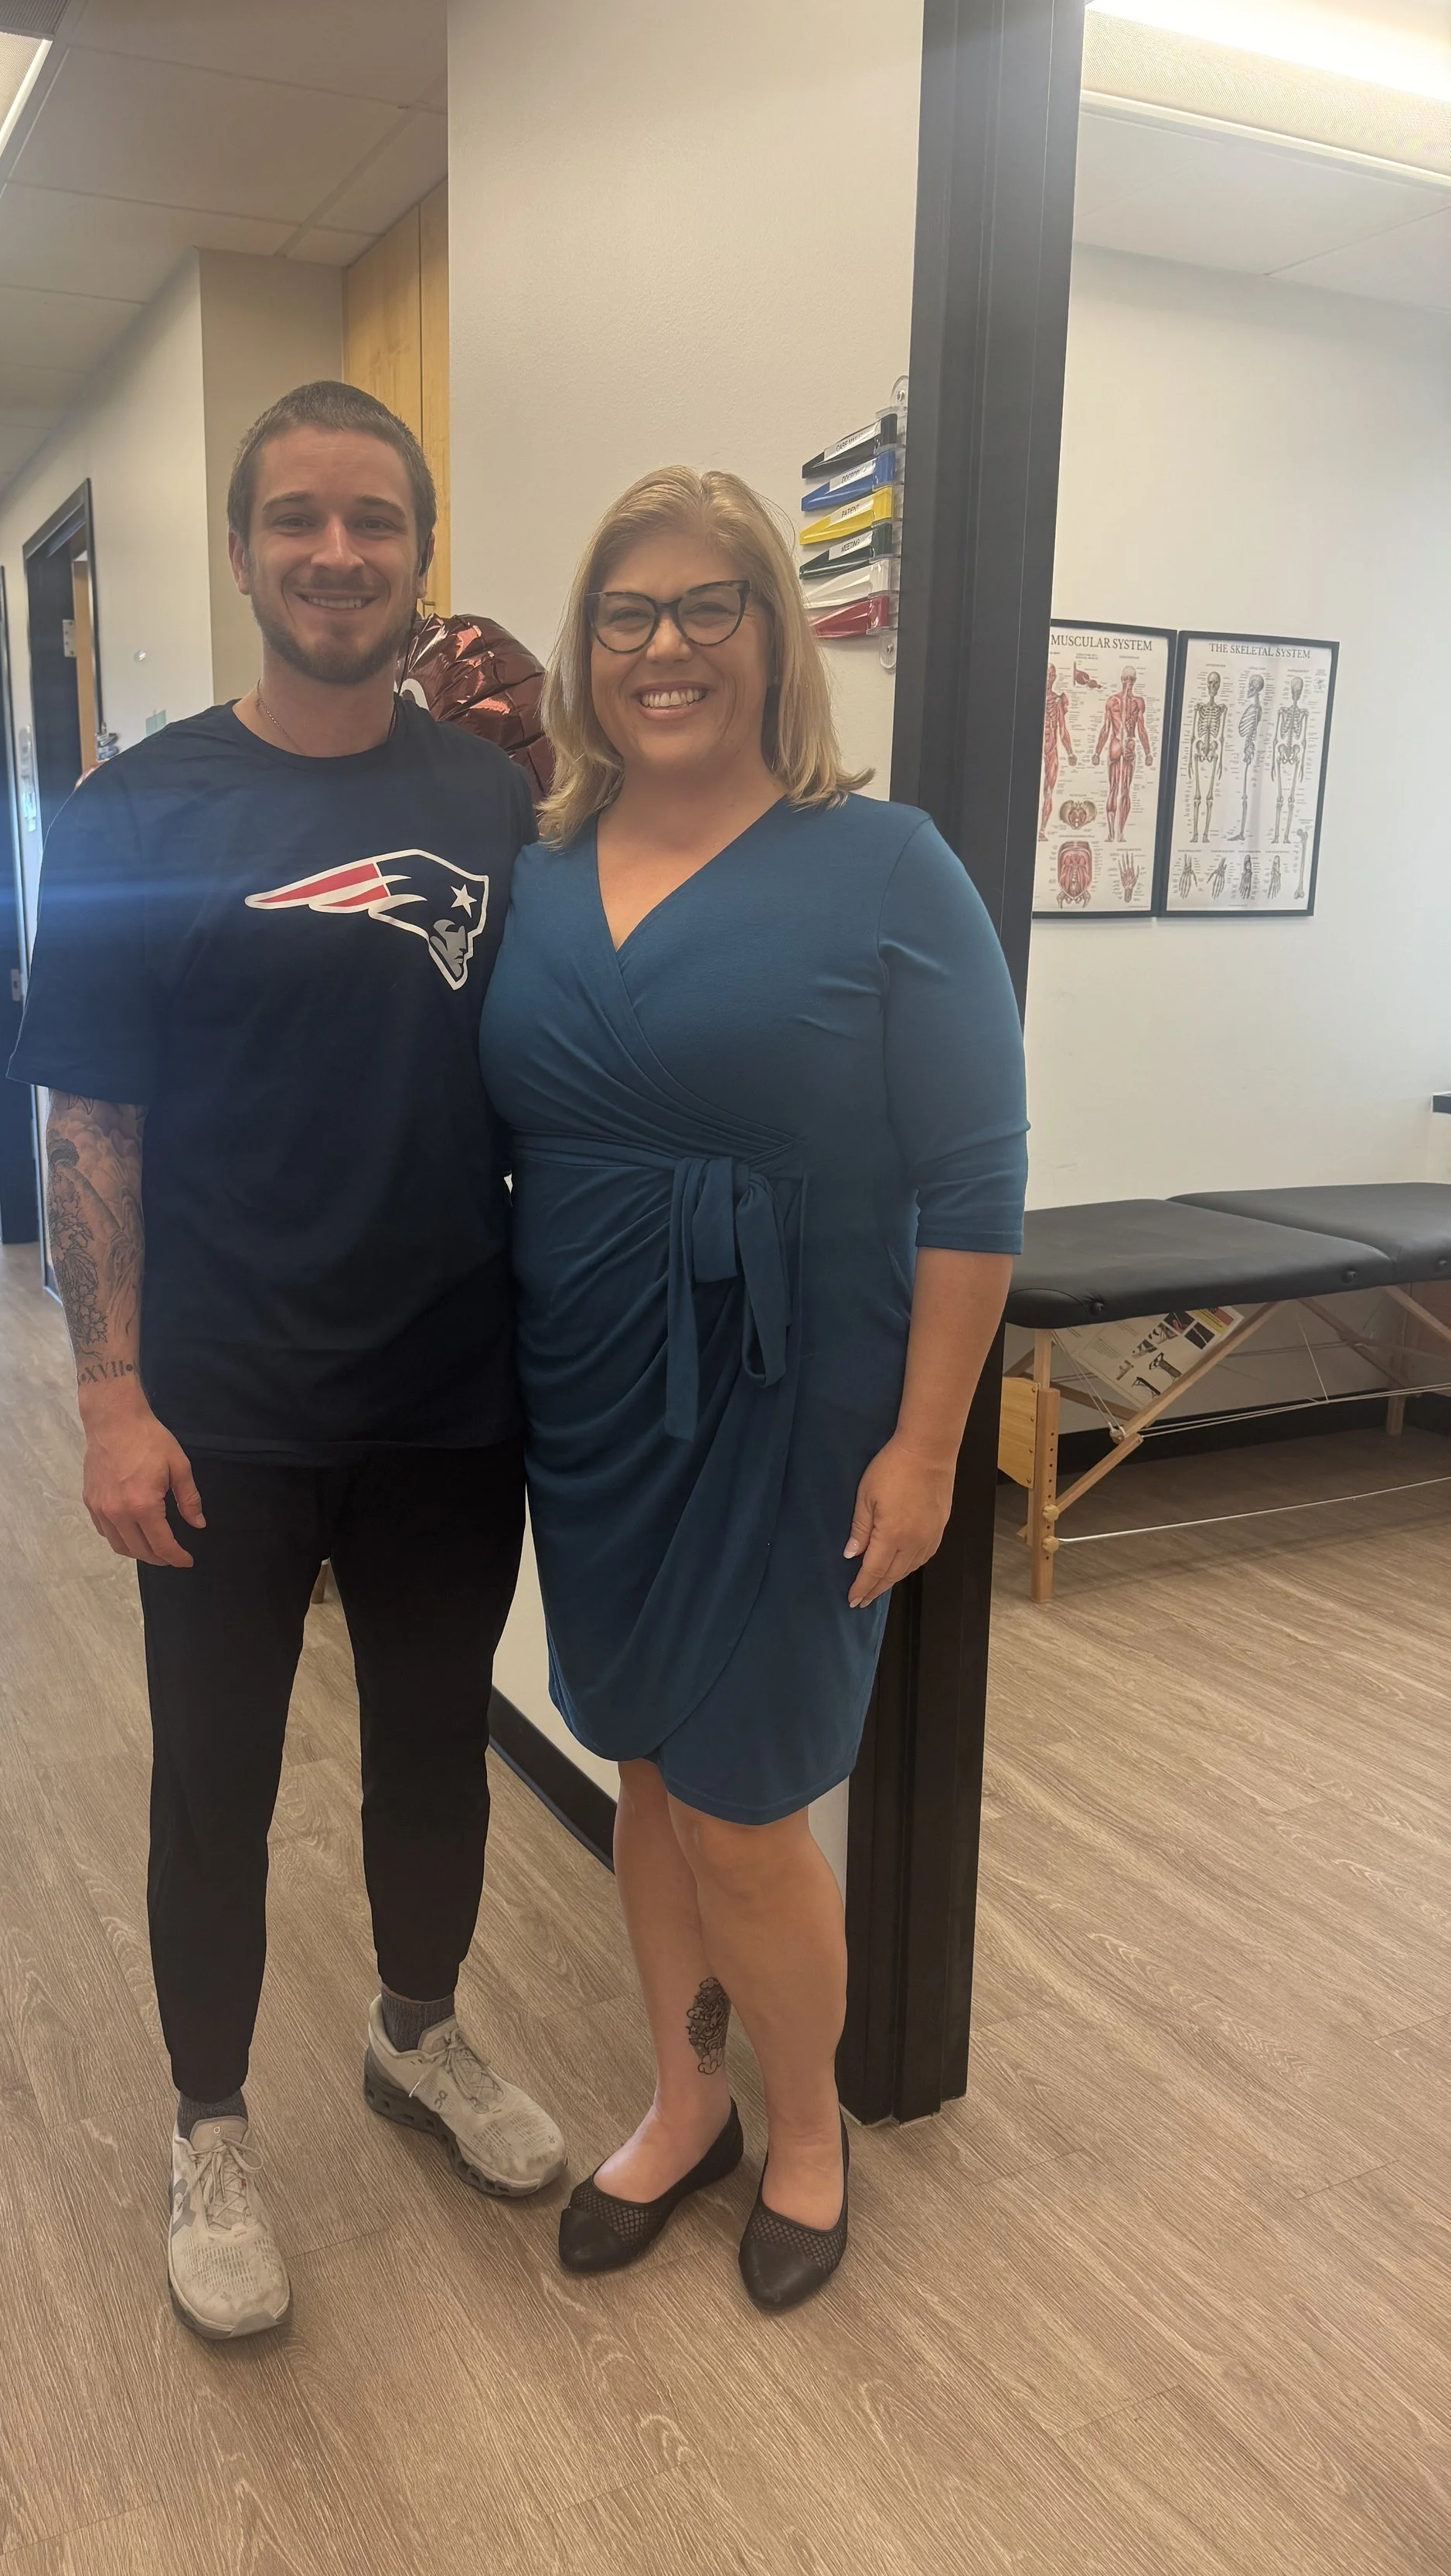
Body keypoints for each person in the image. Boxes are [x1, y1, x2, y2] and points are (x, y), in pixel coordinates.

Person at [7, 381, 564, 2345]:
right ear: (245, 549)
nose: (338, 553)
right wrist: (107, 1394)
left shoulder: (495, 800)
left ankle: (416, 2033)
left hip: (449, 1392)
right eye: (300, 519)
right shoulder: (136, 809)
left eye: (374, 520)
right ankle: (211, 2124)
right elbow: (92, 1120)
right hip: (222, 1403)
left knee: (433, 1750)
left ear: (420, 553)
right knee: (214, 1781)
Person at [478, 467, 1026, 2312]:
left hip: (797, 1405)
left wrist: (929, 1445)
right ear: (585, 649)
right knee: (643, 1763)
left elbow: (975, 1182)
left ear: (773, 635)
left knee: (743, 1801)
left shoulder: (886, 866)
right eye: (627, 612)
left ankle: (806, 2130)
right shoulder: (537, 870)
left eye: (708, 605)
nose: (667, 646)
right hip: (590, 1398)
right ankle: (680, 2099)